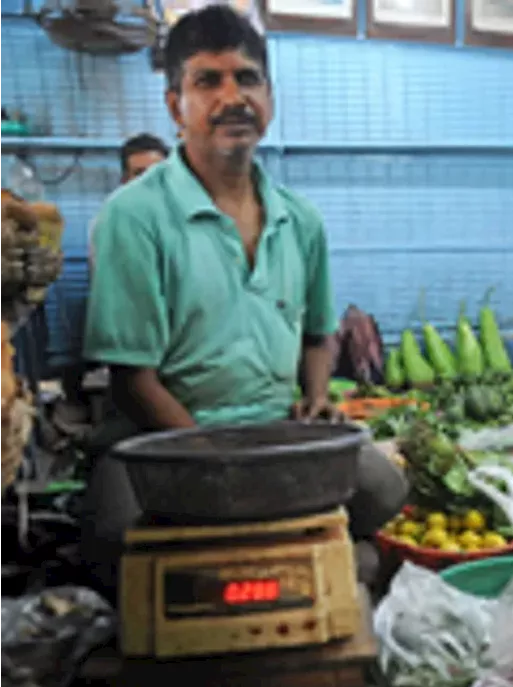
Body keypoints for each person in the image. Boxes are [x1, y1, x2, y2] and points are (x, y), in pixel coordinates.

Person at [80, 5, 406, 589]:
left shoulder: (299, 220)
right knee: (116, 547)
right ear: (176, 105)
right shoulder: (134, 217)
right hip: (160, 441)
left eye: (247, 78)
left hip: (277, 432)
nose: (233, 96)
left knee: (387, 490)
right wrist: (212, 461)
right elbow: (133, 379)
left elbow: (316, 336)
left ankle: (294, 565)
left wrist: (314, 396)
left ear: (270, 97)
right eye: (208, 80)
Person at [54, 133, 170, 413]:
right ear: (124, 179)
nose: (148, 183)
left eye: (157, 173)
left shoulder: (182, 223)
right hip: (142, 351)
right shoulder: (113, 223)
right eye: (139, 173)